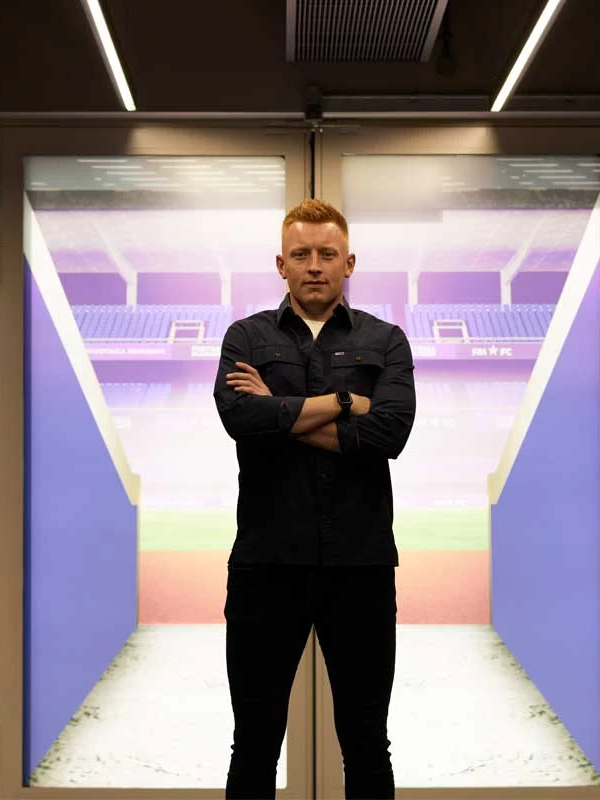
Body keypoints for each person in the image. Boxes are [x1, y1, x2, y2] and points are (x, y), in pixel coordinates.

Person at [212, 198, 416, 799]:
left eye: (328, 254)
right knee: (254, 743)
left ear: (349, 262)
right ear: (282, 264)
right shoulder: (246, 337)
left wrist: (280, 415)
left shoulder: (386, 340)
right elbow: (241, 419)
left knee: (366, 743)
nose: (315, 265)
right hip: (266, 565)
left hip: (360, 566)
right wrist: (347, 403)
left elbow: (390, 434)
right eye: (301, 254)